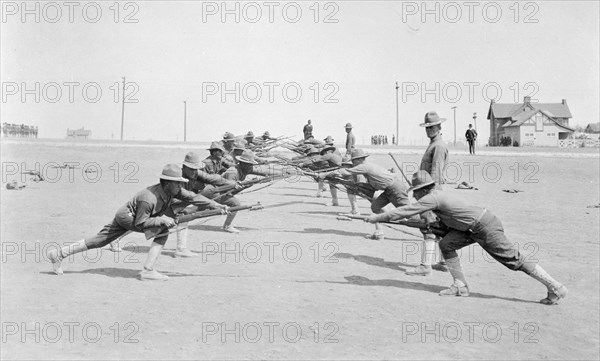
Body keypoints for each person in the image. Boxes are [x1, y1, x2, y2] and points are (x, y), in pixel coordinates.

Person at [365, 171, 568, 304]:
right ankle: (460, 286)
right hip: (473, 226)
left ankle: (555, 286)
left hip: (483, 226)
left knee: (513, 259)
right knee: (446, 244)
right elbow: (441, 221)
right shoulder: (438, 195)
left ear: (421, 190)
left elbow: (406, 211)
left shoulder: (432, 198)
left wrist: (378, 217)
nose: (414, 197)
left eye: (415, 193)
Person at [47, 164, 227, 281]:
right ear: (166, 183)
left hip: (131, 214)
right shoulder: (148, 198)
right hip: (127, 217)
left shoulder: (173, 191)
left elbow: (195, 197)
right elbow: (142, 223)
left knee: (99, 241)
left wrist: (218, 206)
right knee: (161, 230)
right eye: (177, 183)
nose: (180, 187)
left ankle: (59, 254)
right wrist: (163, 219)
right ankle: (148, 270)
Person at [320, 149, 409, 240]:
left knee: (409, 212)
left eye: (353, 161)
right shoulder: (369, 166)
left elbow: (345, 171)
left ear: (359, 159)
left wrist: (325, 174)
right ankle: (379, 232)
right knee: (375, 207)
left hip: (395, 188)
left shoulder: (364, 166)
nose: (353, 163)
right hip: (388, 190)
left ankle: (424, 227)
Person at [406, 111, 450, 276]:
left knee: (429, 227)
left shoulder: (438, 146)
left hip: (431, 191)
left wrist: (428, 196)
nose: (429, 130)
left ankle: (426, 265)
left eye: (432, 127)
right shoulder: (433, 143)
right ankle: (443, 262)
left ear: (439, 126)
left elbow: (436, 174)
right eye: (427, 127)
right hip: (428, 189)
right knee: (438, 227)